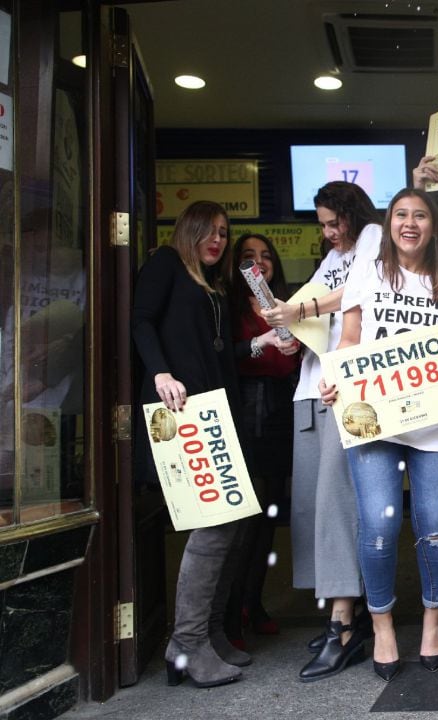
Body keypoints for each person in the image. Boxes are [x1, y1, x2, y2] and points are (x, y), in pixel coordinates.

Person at [321, 188, 438, 682]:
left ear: (433, 226)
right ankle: (382, 628)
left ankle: (431, 623)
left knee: (437, 529)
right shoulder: (368, 272)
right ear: (389, 223)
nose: (409, 223)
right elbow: (349, 339)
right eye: (400, 215)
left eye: (419, 215)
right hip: (373, 418)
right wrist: (334, 377)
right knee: (379, 529)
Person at [262, 181, 382, 682]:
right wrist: (290, 334)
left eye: (335, 222)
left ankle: (345, 624)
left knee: (337, 503)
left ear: (354, 215)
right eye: (324, 225)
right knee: (312, 506)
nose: (330, 232)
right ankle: (342, 612)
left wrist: (300, 311)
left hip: (347, 388)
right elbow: (318, 316)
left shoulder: (375, 235)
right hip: (311, 384)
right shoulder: (332, 255)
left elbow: (363, 293)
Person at [133, 200, 244, 687]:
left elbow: (219, 350)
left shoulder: (213, 283)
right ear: (189, 229)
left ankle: (208, 634)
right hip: (179, 412)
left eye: (223, 232)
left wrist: (264, 345)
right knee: (215, 522)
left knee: (232, 518)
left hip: (212, 414)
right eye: (209, 230)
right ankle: (187, 642)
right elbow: (140, 320)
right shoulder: (165, 263)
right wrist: (159, 371)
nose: (217, 239)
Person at [225, 233, 300, 648]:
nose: (259, 262)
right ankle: (231, 607)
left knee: (270, 512)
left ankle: (253, 601)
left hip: (280, 405)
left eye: (265, 256)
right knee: (244, 517)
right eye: (249, 256)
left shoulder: (285, 304)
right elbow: (221, 354)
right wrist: (258, 344)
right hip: (243, 405)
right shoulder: (227, 303)